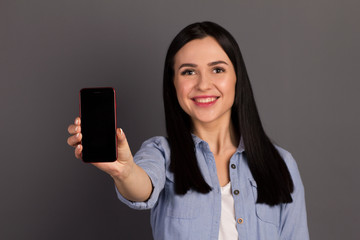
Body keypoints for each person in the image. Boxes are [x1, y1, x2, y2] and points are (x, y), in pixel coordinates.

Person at [67, 21, 309, 240]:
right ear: (173, 84)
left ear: (237, 78)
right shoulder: (160, 153)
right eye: (189, 72)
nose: (203, 84)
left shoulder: (282, 164)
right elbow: (141, 187)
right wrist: (125, 171)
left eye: (217, 69)